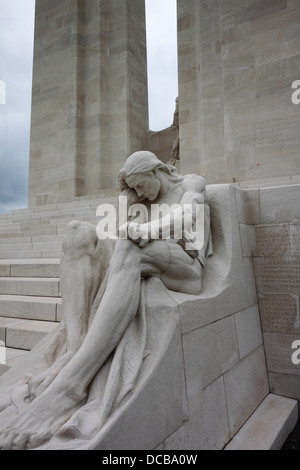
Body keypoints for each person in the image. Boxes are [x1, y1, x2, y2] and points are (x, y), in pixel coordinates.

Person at [0, 151, 211, 450]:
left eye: (141, 185)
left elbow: (187, 217)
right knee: (78, 233)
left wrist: (145, 229)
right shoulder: (142, 199)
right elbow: (125, 226)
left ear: (158, 171)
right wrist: (129, 199)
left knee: (129, 247)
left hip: (186, 268)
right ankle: (75, 349)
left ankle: (69, 388)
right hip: (152, 250)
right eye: (134, 188)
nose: (139, 193)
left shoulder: (191, 183)